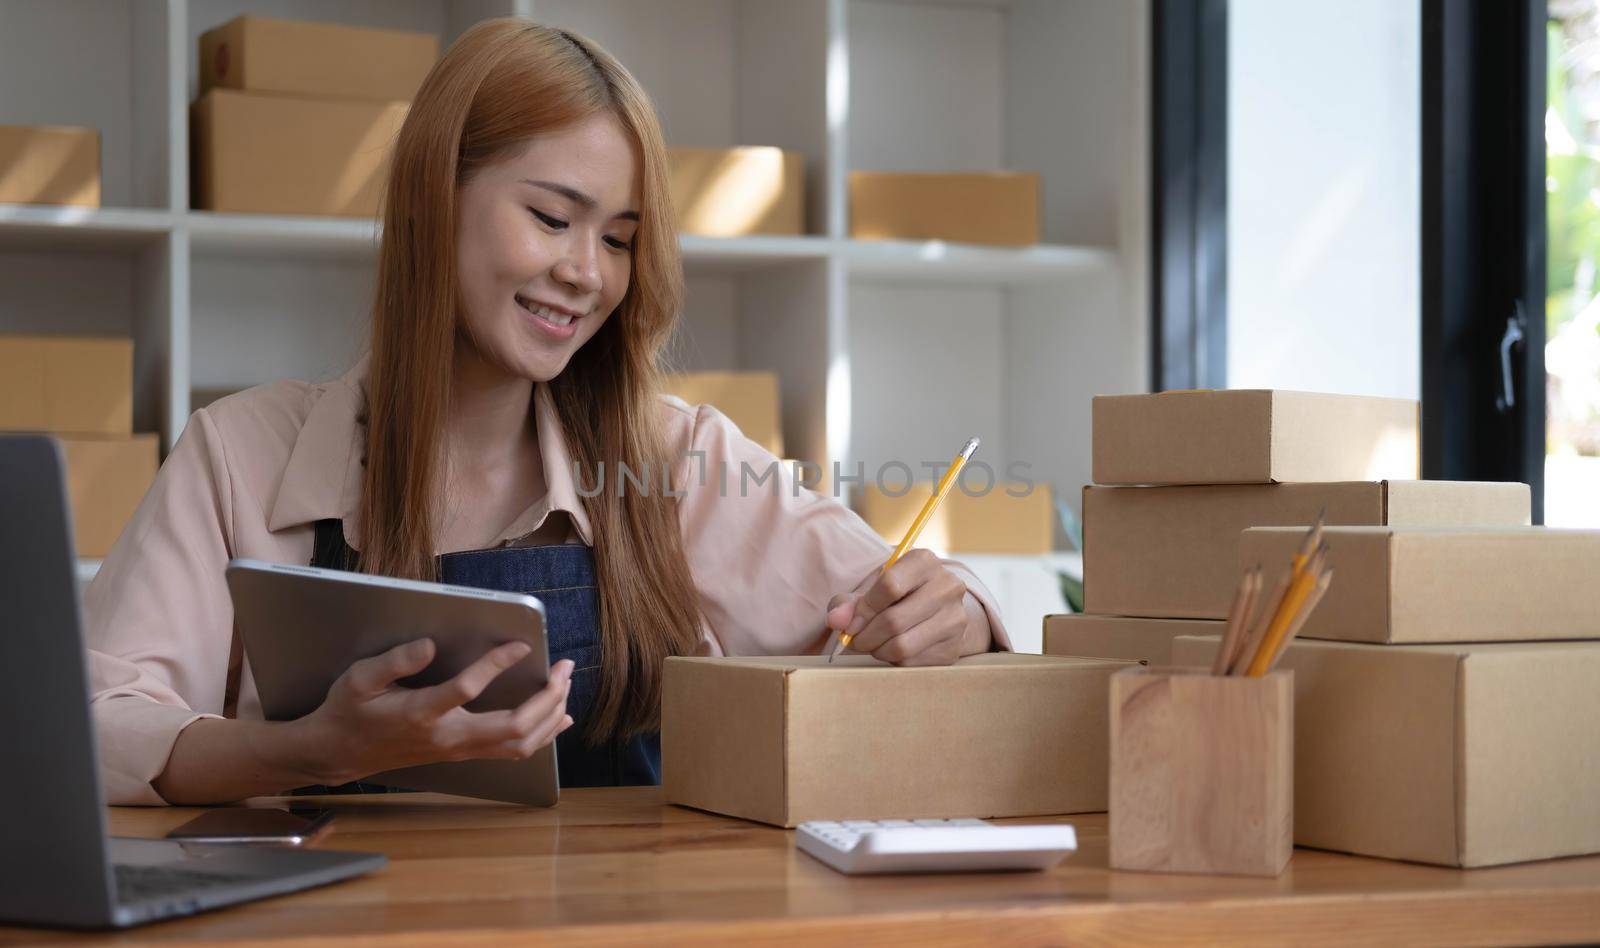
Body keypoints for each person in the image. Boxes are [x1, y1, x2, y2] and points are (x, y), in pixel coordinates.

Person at [84, 19, 1009, 806]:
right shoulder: (239, 456)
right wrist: (311, 750)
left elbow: (894, 606)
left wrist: (953, 612)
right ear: (432, 200)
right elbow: (98, 725)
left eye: (617, 240)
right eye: (552, 217)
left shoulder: (673, 458)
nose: (587, 272)